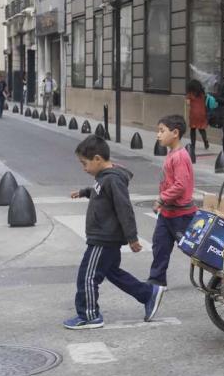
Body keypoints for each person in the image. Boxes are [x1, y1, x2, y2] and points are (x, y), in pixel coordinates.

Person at [64, 135, 165, 330]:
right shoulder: (103, 177)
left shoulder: (113, 180)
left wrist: (132, 238)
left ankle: (89, 315)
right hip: (104, 237)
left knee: (87, 276)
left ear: (97, 159)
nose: (84, 168)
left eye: (84, 164)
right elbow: (100, 191)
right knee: (112, 272)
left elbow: (124, 209)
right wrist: (85, 192)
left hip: (104, 238)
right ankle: (147, 294)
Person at [148, 115, 197, 286]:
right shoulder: (172, 154)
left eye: (162, 131)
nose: (158, 135)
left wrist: (162, 198)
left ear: (175, 132)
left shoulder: (180, 157)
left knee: (194, 249)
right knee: (159, 246)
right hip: (168, 213)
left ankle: (220, 276)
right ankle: (156, 281)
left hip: (181, 215)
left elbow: (181, 185)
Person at [186, 79, 209, 163]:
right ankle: (205, 141)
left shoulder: (190, 94)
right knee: (202, 128)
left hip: (194, 114)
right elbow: (205, 102)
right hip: (202, 113)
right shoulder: (202, 94)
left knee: (193, 129)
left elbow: (188, 103)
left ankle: (193, 145)